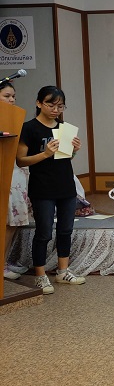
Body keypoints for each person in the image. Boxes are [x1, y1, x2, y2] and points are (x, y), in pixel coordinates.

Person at [16, 85, 84, 294]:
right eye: (51, 105)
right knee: (44, 232)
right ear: (39, 103)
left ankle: (63, 271)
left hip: (66, 186)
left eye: (60, 106)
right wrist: (45, 154)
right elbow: (21, 160)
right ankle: (40, 275)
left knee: (65, 230)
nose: (56, 110)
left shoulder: (64, 128)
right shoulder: (29, 128)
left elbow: (64, 158)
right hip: (42, 188)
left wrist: (74, 151)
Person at [1, 81, 32, 280]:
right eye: (7, 96)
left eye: (13, 96)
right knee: (5, 223)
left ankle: (4, 262)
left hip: (17, 174)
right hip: (4, 176)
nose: (12, 100)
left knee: (14, 223)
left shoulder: (15, 119)